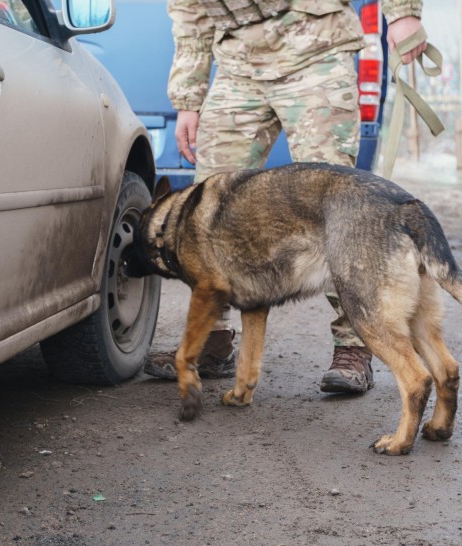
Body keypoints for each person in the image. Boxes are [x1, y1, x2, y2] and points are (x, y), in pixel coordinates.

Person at [144, 0, 429, 393]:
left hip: (315, 47)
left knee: (336, 207)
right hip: (238, 63)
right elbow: (189, 11)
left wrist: (402, 12)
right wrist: (187, 101)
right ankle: (213, 338)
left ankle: (355, 345)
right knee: (205, 214)